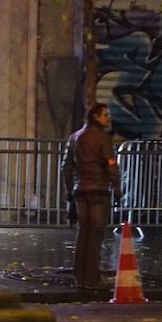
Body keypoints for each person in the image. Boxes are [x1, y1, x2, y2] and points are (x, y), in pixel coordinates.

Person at [61, 103, 121, 290]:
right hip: (99, 191)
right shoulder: (103, 139)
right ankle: (92, 278)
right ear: (96, 116)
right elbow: (111, 165)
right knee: (95, 235)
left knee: (83, 234)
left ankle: (80, 277)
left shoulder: (74, 138)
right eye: (105, 114)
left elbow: (66, 167)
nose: (108, 118)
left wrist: (71, 190)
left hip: (81, 191)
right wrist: (117, 188)